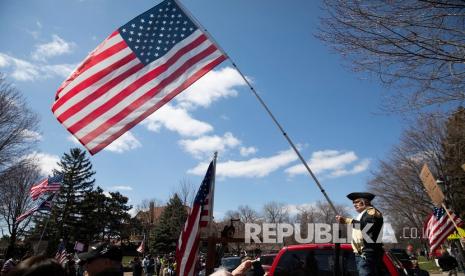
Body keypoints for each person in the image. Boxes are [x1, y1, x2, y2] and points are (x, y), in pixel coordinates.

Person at [336, 192, 384, 276]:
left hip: (368, 252)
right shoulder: (363, 214)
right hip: (362, 253)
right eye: (353, 203)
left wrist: (348, 221)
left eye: (357, 201)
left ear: (366, 202)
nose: (355, 204)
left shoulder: (371, 212)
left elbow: (367, 226)